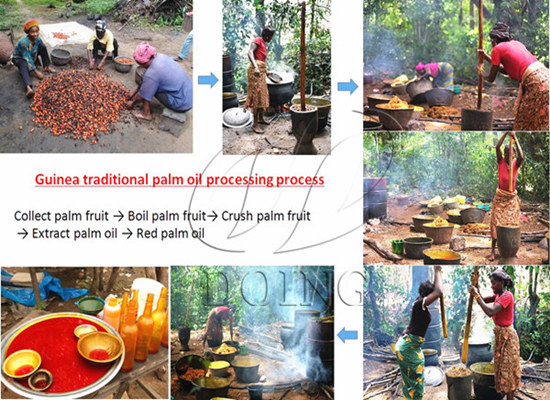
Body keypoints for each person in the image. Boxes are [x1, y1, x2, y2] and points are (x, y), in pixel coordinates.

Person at [479, 22, 549, 130]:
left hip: (535, 81)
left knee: (524, 121)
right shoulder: (517, 43)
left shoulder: (497, 49)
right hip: (545, 75)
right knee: (539, 118)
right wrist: (486, 57)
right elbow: (507, 70)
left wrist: (481, 73)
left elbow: (491, 78)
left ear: (494, 39)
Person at [470, 270, 521, 400]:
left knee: (508, 368)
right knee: (501, 367)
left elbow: (490, 311)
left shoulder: (507, 296)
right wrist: (476, 287)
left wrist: (476, 295)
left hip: (507, 338)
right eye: (491, 283)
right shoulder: (498, 295)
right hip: (501, 337)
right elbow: (482, 299)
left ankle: (510, 396)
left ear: (502, 283)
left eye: (494, 284)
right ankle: (508, 394)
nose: (492, 286)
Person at [396, 266, 443, 400]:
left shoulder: (420, 303)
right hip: (407, 347)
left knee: (413, 379)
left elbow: (436, 290)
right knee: (414, 379)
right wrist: (437, 270)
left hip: (410, 346)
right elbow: (438, 291)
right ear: (427, 296)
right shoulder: (419, 304)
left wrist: (436, 274)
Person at [127, 42, 193, 121]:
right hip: (189, 93)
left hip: (181, 104)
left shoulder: (152, 73)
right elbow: (145, 80)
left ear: (140, 62)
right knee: (149, 83)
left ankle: (146, 114)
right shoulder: (160, 56)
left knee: (148, 89)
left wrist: (133, 103)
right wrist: (133, 93)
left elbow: (141, 95)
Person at [489, 132, 524, 261]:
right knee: (495, 223)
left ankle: (513, 250)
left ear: (513, 155)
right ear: (505, 155)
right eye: (507, 153)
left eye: (512, 153)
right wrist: (505, 134)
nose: (510, 155)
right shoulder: (501, 162)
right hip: (500, 198)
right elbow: (497, 147)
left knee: (513, 223)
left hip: (511, 199)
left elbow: (522, 156)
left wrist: (515, 139)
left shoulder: (516, 165)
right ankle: (493, 250)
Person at [12, 19, 56, 98]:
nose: (35, 34)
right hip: (19, 58)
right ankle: (28, 87)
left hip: (31, 54)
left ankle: (47, 66)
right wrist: (36, 72)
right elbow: (27, 57)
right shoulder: (24, 42)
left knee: (42, 46)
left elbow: (42, 49)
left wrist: (43, 62)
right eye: (32, 32)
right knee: (24, 63)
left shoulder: (38, 39)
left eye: (37, 31)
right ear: (28, 33)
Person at [245, 26, 275, 134]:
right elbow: (250, 53)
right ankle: (255, 124)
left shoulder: (263, 43)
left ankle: (261, 119)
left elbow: (260, 60)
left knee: (263, 95)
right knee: (257, 97)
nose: (271, 39)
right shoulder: (258, 40)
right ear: (267, 35)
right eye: (271, 36)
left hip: (260, 71)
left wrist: (266, 72)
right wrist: (256, 67)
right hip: (255, 72)